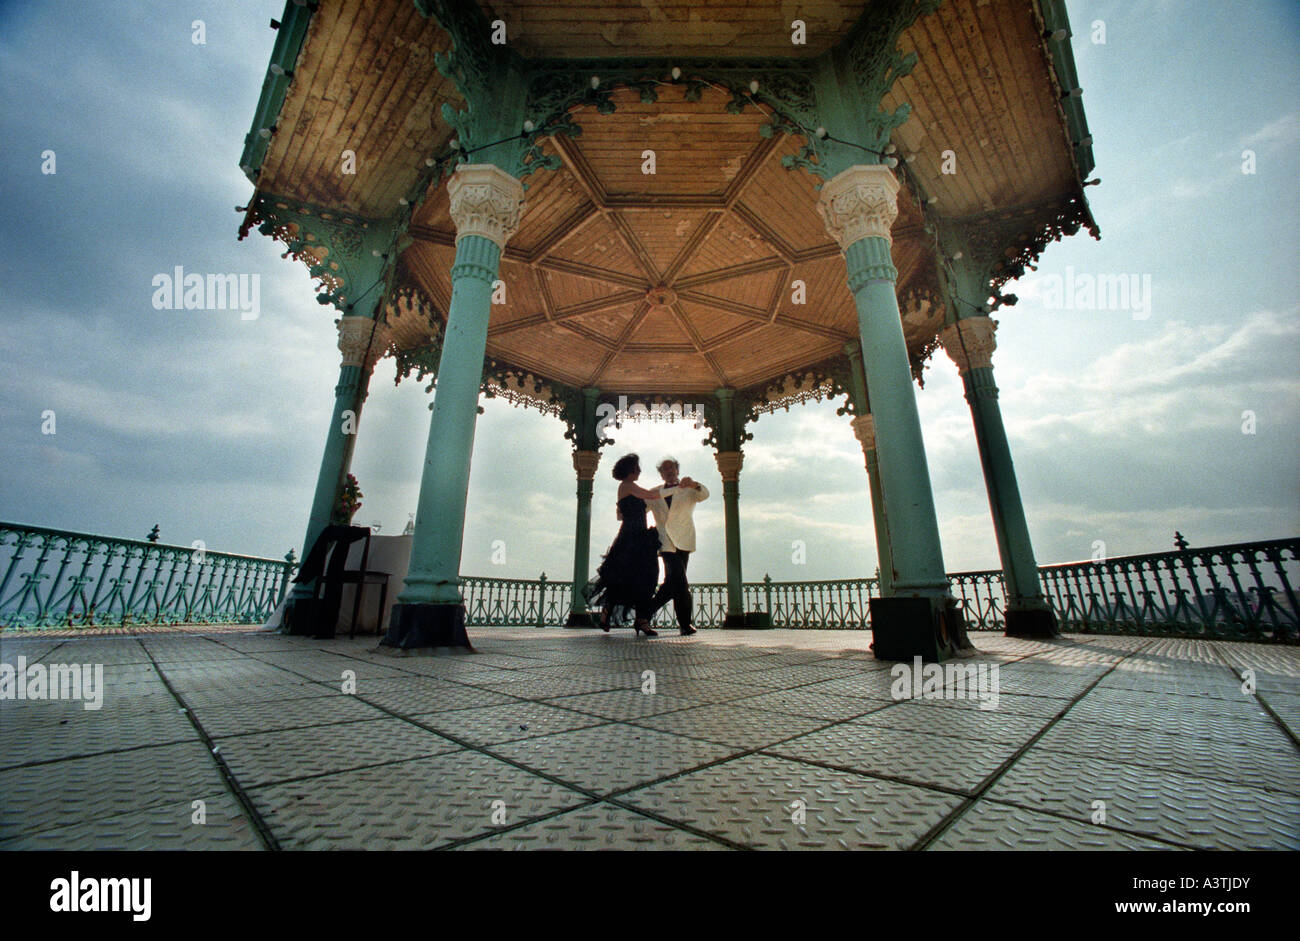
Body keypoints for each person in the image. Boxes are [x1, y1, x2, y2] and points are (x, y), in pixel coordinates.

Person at [589, 453, 662, 637]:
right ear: (630, 470)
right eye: (637, 468)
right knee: (632, 577)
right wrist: (673, 487)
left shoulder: (625, 488)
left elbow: (620, 515)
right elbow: (651, 495)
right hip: (632, 538)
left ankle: (638, 619)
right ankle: (638, 620)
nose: (639, 470)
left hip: (634, 536)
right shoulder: (628, 486)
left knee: (639, 578)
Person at [647, 457, 709, 636]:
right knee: (680, 583)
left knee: (671, 584)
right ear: (661, 474)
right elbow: (640, 509)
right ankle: (685, 624)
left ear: (677, 470)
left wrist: (695, 484)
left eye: (672, 468)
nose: (669, 471)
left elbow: (704, 494)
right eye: (665, 469)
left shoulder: (688, 489)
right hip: (666, 542)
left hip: (684, 539)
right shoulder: (655, 493)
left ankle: (644, 614)